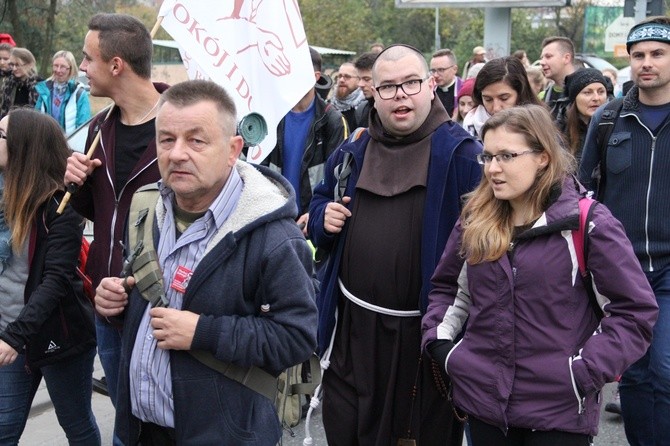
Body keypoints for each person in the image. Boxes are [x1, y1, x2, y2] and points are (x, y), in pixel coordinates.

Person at [95, 79, 318, 445]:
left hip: (225, 434)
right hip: (139, 430)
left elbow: (296, 337)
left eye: (196, 141)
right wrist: (117, 301)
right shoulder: (146, 207)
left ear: (233, 150)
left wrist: (203, 332)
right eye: (166, 139)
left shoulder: (274, 237)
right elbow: (140, 290)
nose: (177, 153)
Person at [423, 104, 658, 446]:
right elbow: (449, 290)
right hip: (484, 402)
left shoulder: (589, 223)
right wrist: (444, 348)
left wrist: (582, 373)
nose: (493, 169)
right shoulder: (475, 219)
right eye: (487, 157)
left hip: (558, 411)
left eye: (506, 156)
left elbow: (634, 311)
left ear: (543, 157)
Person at [308, 44, 482, 446]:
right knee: (346, 430)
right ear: (374, 94)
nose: (400, 94)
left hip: (424, 339)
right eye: (388, 87)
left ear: (431, 85)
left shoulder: (464, 155)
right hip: (353, 332)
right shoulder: (353, 151)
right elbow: (317, 202)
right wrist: (324, 218)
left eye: (410, 83)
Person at [63, 12, 168, 439]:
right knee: (124, 423)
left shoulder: (180, 127)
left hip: (160, 309)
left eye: (88, 59)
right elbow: (100, 214)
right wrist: (76, 182)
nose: (82, 68)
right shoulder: (98, 129)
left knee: (161, 425)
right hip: (107, 306)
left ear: (116, 64)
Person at [579, 16, 670, 446]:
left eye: (657, 54)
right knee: (632, 374)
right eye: (638, 56)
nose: (646, 63)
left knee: (664, 370)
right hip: (622, 267)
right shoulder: (609, 118)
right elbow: (584, 192)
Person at [0, 108, 100, 444]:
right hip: (9, 333)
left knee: (77, 424)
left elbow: (55, 280)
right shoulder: (3, 195)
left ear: (22, 147)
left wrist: (17, 335)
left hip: (58, 334)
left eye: (1, 135)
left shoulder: (61, 204)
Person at [262, 47, 346, 234]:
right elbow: (259, 168)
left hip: (311, 223)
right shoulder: (272, 115)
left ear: (315, 76)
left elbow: (340, 178)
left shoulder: (332, 120)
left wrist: (317, 213)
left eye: (294, 71)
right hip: (274, 219)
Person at [463, 56, 543, 138]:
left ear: (521, 93)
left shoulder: (541, 128)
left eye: (504, 98)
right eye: (488, 99)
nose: (496, 108)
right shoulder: (469, 126)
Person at [35, 50, 91, 135]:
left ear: (71, 69)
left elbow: (83, 125)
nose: (58, 70)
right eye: (55, 66)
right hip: (45, 143)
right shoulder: (45, 89)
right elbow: (36, 118)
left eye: (63, 67)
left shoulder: (79, 93)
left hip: (69, 144)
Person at [559, 68, 609, 162]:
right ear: (574, 98)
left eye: (601, 91)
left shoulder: (616, 127)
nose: (596, 98)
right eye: (587, 92)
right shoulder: (559, 132)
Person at [539, 36, 577, 119]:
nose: (541, 62)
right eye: (541, 58)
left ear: (566, 58)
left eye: (548, 56)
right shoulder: (542, 97)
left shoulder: (587, 91)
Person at [0, 47, 39, 119]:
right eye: (12, 64)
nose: (14, 68)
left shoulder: (39, 86)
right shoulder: (8, 84)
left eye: (18, 65)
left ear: (30, 64)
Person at [330, 61, 365, 131]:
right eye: (339, 76)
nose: (341, 80)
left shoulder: (364, 108)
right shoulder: (329, 105)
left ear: (358, 80)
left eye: (347, 76)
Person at [430, 48, 462, 118]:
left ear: (454, 69)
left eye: (441, 70)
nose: (435, 75)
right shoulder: (429, 91)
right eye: (433, 70)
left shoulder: (464, 90)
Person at [353, 51, 377, 128]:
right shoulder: (361, 110)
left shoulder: (394, 111)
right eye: (359, 79)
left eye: (366, 79)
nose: (360, 84)